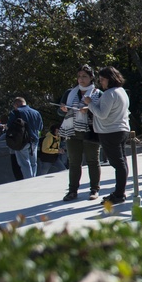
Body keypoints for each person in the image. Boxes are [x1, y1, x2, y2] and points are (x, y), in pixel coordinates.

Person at [85, 67, 130, 205]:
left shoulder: (109, 94)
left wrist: (89, 103)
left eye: (103, 79)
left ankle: (119, 194)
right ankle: (120, 191)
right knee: (122, 162)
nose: (101, 82)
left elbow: (102, 114)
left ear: (110, 79)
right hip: (121, 130)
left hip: (110, 132)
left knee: (118, 164)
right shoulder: (121, 91)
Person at [59, 65, 102, 201]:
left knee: (92, 160)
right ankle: (72, 191)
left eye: (84, 76)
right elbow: (59, 111)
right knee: (74, 162)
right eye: (79, 76)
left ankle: (94, 189)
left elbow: (102, 113)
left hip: (91, 131)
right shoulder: (70, 93)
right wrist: (63, 109)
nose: (81, 79)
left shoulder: (97, 93)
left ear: (91, 78)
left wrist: (88, 110)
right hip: (72, 131)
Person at [7, 97, 43, 179]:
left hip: (21, 141)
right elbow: (40, 127)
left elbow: (9, 126)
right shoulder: (36, 112)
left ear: (16, 104)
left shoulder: (15, 112)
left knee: (24, 163)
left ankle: (28, 181)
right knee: (34, 163)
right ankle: (33, 179)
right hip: (34, 140)